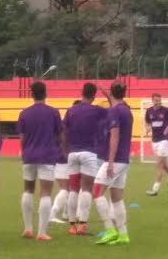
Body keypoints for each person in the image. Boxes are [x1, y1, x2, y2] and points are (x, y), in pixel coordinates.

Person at [17, 81, 64, 241]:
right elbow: (60, 135)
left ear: (32, 94)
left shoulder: (24, 113)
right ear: (46, 93)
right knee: (45, 193)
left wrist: (25, 152)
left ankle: (28, 228)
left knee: (28, 190)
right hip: (47, 156)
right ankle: (41, 232)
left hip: (29, 156)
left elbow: (22, 138)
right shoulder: (53, 112)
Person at [63, 83, 108, 235]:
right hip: (89, 152)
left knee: (73, 189)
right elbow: (113, 110)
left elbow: (64, 131)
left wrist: (65, 150)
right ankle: (82, 224)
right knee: (87, 189)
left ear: (81, 93)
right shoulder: (96, 110)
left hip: (73, 153)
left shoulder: (71, 110)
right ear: (94, 96)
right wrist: (106, 94)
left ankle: (71, 226)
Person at [94, 82, 134, 246]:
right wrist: (105, 92)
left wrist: (110, 162)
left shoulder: (114, 111)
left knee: (97, 192)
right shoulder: (126, 109)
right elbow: (114, 102)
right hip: (124, 159)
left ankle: (110, 230)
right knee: (116, 197)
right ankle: (123, 234)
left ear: (112, 93)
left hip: (115, 160)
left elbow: (114, 136)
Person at [145, 94, 168, 195]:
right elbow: (147, 122)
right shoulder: (149, 111)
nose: (158, 102)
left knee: (159, 164)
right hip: (155, 140)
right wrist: (148, 128)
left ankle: (155, 189)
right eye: (156, 100)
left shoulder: (166, 111)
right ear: (152, 100)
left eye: (159, 100)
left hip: (164, 140)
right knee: (165, 165)